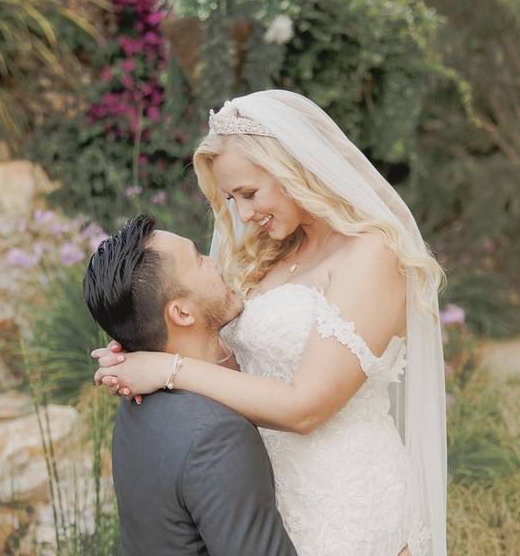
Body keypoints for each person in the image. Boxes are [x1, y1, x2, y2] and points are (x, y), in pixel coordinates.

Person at [93, 90, 448, 556]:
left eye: (249, 193)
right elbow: (247, 371)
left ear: (292, 170)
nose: (242, 215)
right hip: (272, 499)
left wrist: (168, 370)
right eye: (231, 198)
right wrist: (145, 354)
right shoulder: (274, 255)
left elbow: (307, 406)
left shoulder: (371, 255)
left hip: (349, 507)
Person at [83, 214, 298, 556]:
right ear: (182, 313)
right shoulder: (219, 436)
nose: (214, 262)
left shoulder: (136, 403)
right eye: (199, 258)